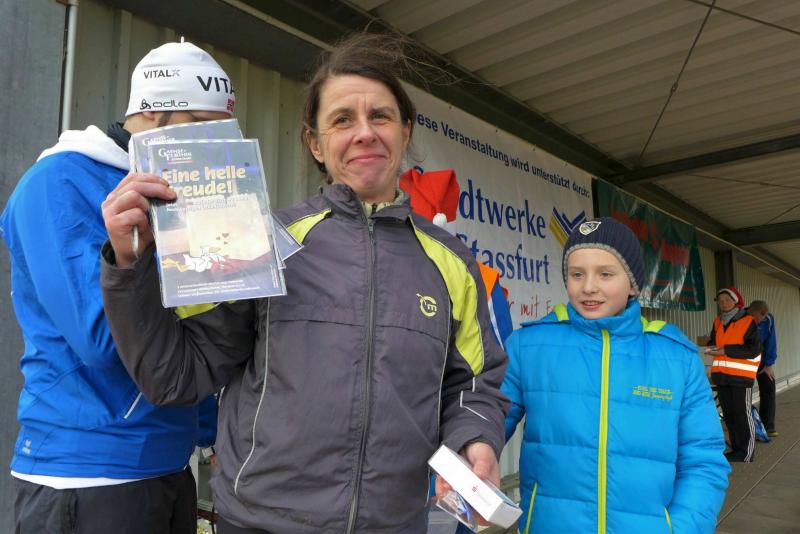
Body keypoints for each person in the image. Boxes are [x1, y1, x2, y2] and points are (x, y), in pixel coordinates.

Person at [99, 33, 509, 533]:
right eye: (343, 119)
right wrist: (129, 264)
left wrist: (477, 439)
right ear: (315, 142)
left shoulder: (452, 262)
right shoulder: (260, 242)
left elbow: (472, 384)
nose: (364, 133)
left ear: (405, 131)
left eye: (380, 116)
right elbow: (177, 375)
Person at [0, 41, 233, 533]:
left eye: (222, 131)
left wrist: (209, 429)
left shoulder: (180, 187)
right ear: (153, 112)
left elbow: (189, 326)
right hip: (87, 471)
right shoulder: (58, 183)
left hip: (170, 460)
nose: (210, 147)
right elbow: (104, 341)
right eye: (199, 127)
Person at [502, 218, 729, 533]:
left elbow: (703, 460)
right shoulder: (527, 346)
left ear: (633, 284)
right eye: (576, 274)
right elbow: (483, 424)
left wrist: (680, 529)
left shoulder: (677, 358)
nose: (588, 287)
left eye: (605, 274)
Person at [708, 286, 761, 462]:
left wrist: (726, 350)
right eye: (720, 301)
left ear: (736, 301)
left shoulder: (748, 321)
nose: (723, 303)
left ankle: (746, 452)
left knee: (742, 414)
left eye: (727, 300)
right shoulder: (718, 322)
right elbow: (714, 343)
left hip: (741, 377)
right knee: (729, 415)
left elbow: (753, 349)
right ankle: (737, 449)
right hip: (722, 377)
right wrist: (710, 349)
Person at [747, 300, 778, 437]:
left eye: (762, 318)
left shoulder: (768, 319)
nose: (759, 321)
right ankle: (748, 427)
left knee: (769, 386)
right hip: (744, 359)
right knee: (744, 393)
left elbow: (771, 341)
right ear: (750, 312)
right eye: (756, 318)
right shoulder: (742, 317)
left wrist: (768, 364)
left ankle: (767, 426)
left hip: (761, 360)